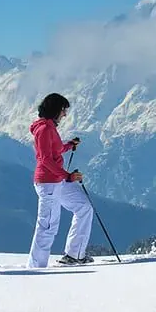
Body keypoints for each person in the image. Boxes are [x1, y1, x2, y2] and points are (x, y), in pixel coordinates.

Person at [28, 93, 94, 267]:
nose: (65, 114)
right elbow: (45, 159)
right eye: (63, 110)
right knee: (48, 226)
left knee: (84, 207)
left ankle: (75, 254)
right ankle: (36, 268)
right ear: (55, 110)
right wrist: (68, 176)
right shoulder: (43, 130)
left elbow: (54, 151)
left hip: (57, 180)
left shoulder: (50, 128)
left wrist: (69, 145)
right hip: (48, 183)